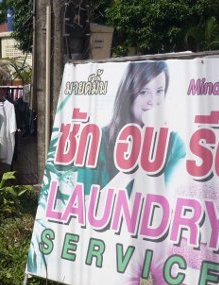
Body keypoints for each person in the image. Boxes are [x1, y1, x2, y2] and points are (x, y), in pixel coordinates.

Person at [78, 60, 185, 190]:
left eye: (159, 91)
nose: (153, 101)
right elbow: (82, 204)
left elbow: (165, 203)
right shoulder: (96, 139)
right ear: (128, 94)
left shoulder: (175, 144)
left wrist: (152, 147)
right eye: (143, 92)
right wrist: (129, 170)